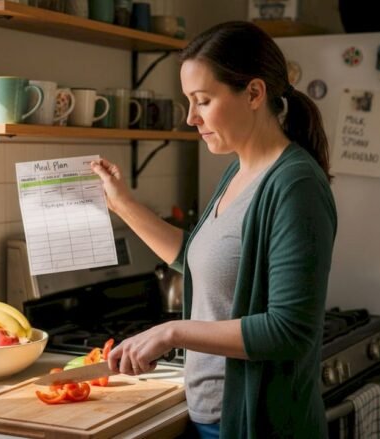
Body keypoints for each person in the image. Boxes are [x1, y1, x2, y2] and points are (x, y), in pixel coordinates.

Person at [91, 21, 337, 438]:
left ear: (255, 93)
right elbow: (198, 259)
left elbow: (289, 330)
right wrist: (123, 204)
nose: (191, 117)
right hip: (210, 414)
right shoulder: (237, 171)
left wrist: (171, 332)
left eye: (202, 101)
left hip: (256, 423)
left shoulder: (295, 185)